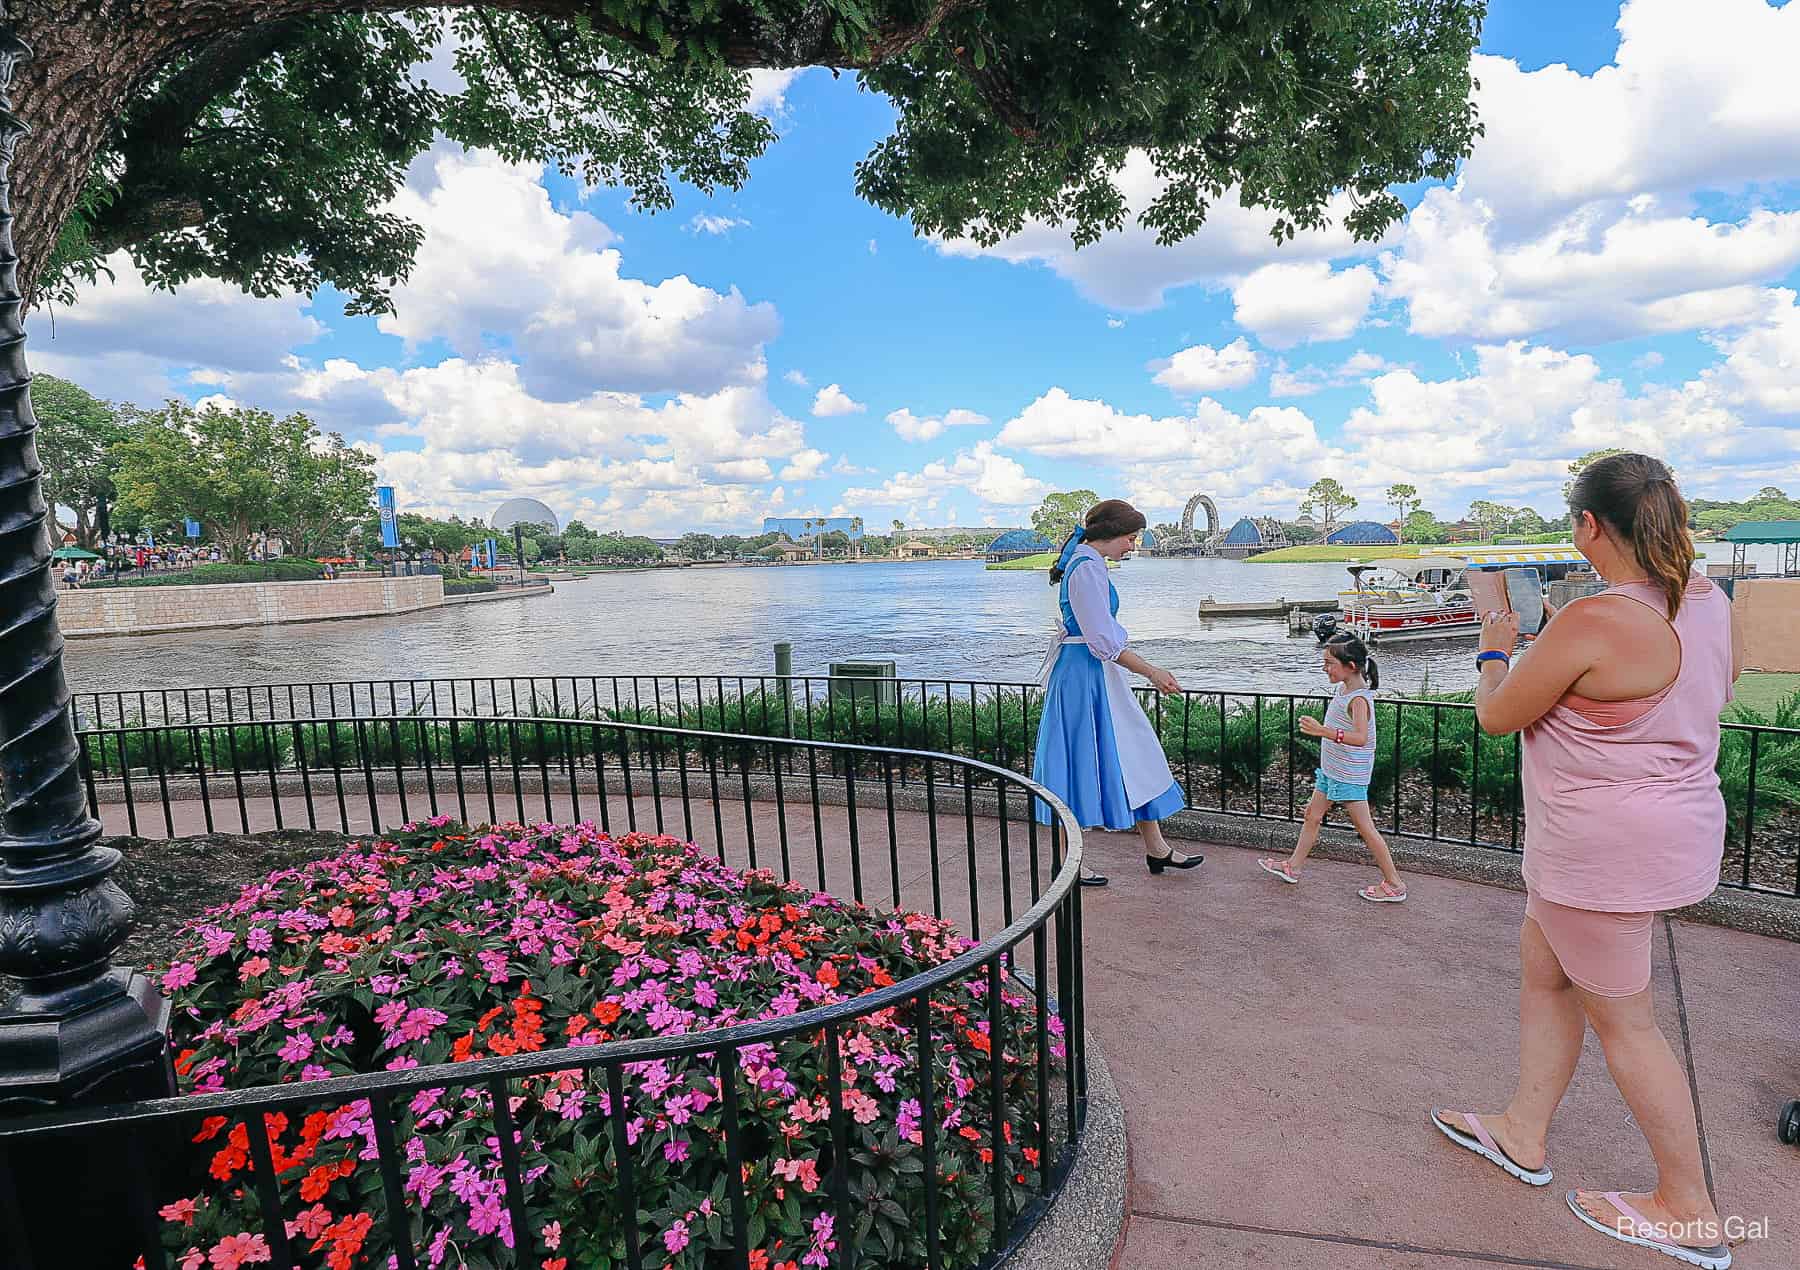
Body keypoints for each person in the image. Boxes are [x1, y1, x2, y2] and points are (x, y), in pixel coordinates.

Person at [1432, 453, 1738, 1270]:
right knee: (1545, 969)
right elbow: (1696, 688)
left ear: (1589, 526)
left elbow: (1497, 716)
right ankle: (1522, 1129)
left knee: (1627, 1024)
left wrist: (1495, 643)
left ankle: (1689, 1208)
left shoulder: (1591, 621)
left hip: (1597, 851)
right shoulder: (1708, 603)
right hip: (1673, 829)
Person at [1031, 499, 1199, 888]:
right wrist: (1153, 672)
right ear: (1109, 535)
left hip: (1091, 674)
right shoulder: (1087, 568)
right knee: (1077, 764)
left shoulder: (1086, 563)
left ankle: (1156, 848)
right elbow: (1102, 640)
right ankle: (1066, 862)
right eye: (1129, 537)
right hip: (1086, 675)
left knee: (1132, 753)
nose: (1133, 546)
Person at [1257, 633, 1407, 901]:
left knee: (1365, 829)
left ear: (1350, 666)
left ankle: (1394, 884)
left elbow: (1360, 738)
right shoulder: (1345, 688)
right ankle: (1293, 867)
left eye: (1329, 663)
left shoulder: (1359, 699)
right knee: (1312, 815)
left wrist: (1323, 731)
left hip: (1349, 774)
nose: (1325, 668)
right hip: (1332, 770)